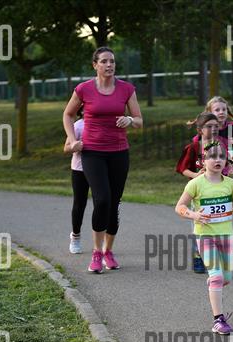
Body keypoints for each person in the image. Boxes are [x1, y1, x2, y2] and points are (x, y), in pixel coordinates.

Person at [62, 46, 143, 273]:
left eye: (112, 61)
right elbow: (68, 114)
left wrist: (129, 120)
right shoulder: (84, 89)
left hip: (119, 152)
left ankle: (108, 251)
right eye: (104, 61)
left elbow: (139, 120)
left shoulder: (126, 89)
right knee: (103, 200)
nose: (109, 65)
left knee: (114, 203)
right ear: (95, 65)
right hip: (92, 152)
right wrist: (72, 140)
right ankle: (96, 253)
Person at [175, 141, 233, 335]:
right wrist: (194, 215)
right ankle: (219, 320)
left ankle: (214, 283)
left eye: (222, 156)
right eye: (213, 156)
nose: (218, 160)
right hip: (205, 236)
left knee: (226, 278)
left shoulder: (230, 184)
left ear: (226, 161)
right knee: (216, 276)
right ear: (203, 161)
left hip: (226, 236)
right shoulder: (195, 184)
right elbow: (179, 207)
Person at [176, 112, 233, 273]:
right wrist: (196, 176)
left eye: (216, 126)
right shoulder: (194, 147)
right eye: (209, 126)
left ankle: (217, 255)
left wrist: (228, 172)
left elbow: (228, 164)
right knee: (201, 226)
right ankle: (198, 258)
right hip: (199, 193)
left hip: (218, 192)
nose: (214, 129)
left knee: (218, 224)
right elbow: (182, 168)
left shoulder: (221, 146)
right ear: (200, 129)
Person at [64, 108, 87, 254]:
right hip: (80, 170)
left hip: (100, 170)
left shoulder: (103, 124)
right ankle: (75, 236)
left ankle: (103, 240)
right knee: (79, 204)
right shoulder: (78, 126)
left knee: (102, 203)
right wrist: (75, 146)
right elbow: (66, 148)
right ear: (82, 111)